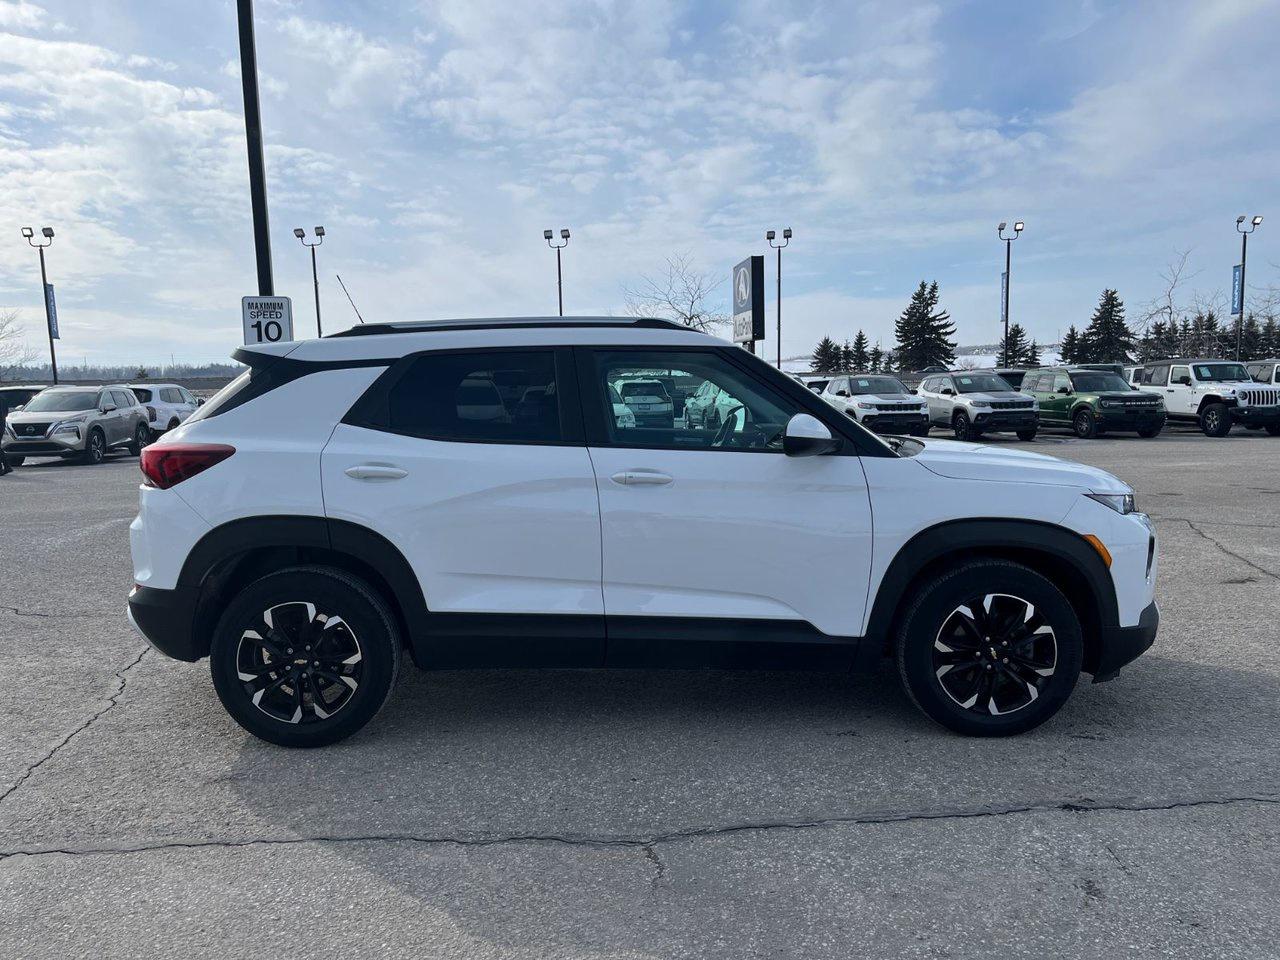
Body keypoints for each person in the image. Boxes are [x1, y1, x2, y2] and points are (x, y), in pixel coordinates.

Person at [0, 396, 11, 475]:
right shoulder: (2, 399)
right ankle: (6, 466)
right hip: (2, 424)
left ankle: (5, 467)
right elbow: (6, 413)